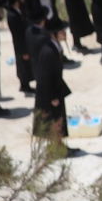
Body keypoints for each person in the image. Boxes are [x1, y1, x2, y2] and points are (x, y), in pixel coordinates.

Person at [33, 18, 73, 150]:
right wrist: (52, 96)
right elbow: (45, 77)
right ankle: (57, 148)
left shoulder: (54, 47)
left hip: (56, 88)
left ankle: (60, 145)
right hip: (50, 92)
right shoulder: (48, 51)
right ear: (53, 33)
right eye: (62, 31)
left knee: (58, 117)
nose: (64, 33)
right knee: (54, 119)